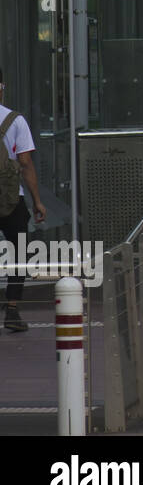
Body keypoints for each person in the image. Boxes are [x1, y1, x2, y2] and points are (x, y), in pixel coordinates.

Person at [1, 69, 46, 332]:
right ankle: (13, 310)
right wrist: (37, 201)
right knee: (18, 252)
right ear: (2, 87)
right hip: (10, 198)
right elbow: (25, 163)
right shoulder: (15, 120)